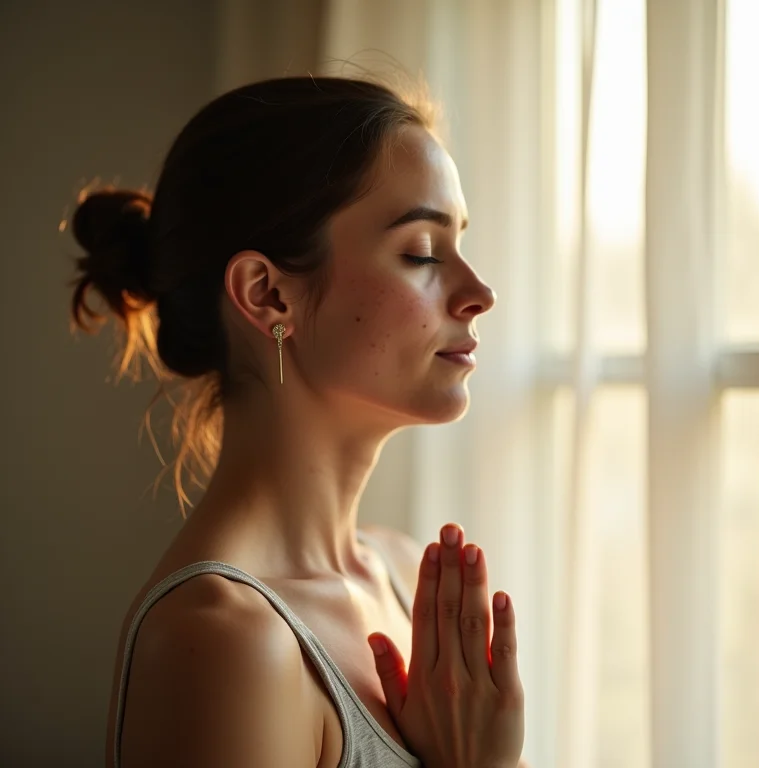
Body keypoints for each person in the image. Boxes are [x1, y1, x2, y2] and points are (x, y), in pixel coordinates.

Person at [69, 73, 527, 768]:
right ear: (267, 294)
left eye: (459, 242)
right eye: (422, 253)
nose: (480, 292)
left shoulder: (407, 577)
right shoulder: (222, 643)